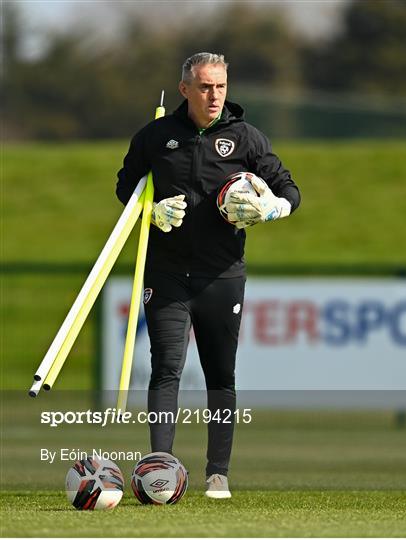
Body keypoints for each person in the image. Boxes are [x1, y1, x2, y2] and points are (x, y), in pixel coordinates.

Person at [116, 52, 301, 498]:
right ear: (185, 90)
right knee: (166, 369)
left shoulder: (247, 138)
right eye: (204, 86)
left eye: (220, 86)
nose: (213, 95)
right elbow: (126, 186)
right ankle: (160, 467)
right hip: (167, 273)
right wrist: (150, 212)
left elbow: (290, 189)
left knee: (221, 374)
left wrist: (275, 207)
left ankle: (217, 472)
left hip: (222, 274)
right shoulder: (156, 136)